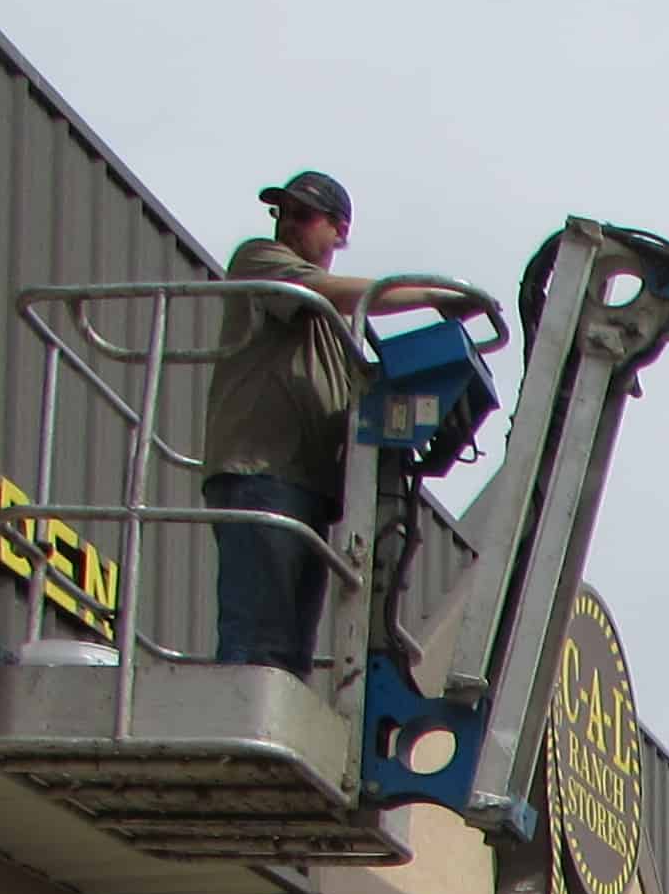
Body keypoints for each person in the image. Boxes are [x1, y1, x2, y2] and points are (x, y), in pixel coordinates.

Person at [198, 170, 484, 669]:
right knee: (259, 642)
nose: (288, 223)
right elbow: (338, 292)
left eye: (304, 215)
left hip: (306, 485)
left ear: (339, 230)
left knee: (290, 655)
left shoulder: (343, 322)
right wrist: (435, 295)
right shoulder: (262, 261)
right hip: (259, 472)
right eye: (282, 213)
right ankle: (239, 743)